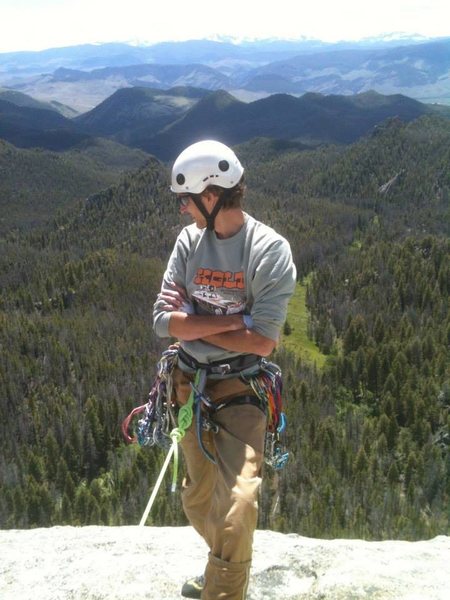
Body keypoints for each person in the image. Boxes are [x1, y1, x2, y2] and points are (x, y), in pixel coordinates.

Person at [153, 140, 296, 599]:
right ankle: (223, 570)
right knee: (198, 500)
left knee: (237, 503)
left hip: (241, 388)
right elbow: (162, 321)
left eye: (186, 199)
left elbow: (263, 341)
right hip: (190, 383)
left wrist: (193, 327)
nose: (182, 210)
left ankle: (222, 591)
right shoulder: (188, 241)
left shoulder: (269, 250)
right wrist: (234, 321)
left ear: (210, 196)